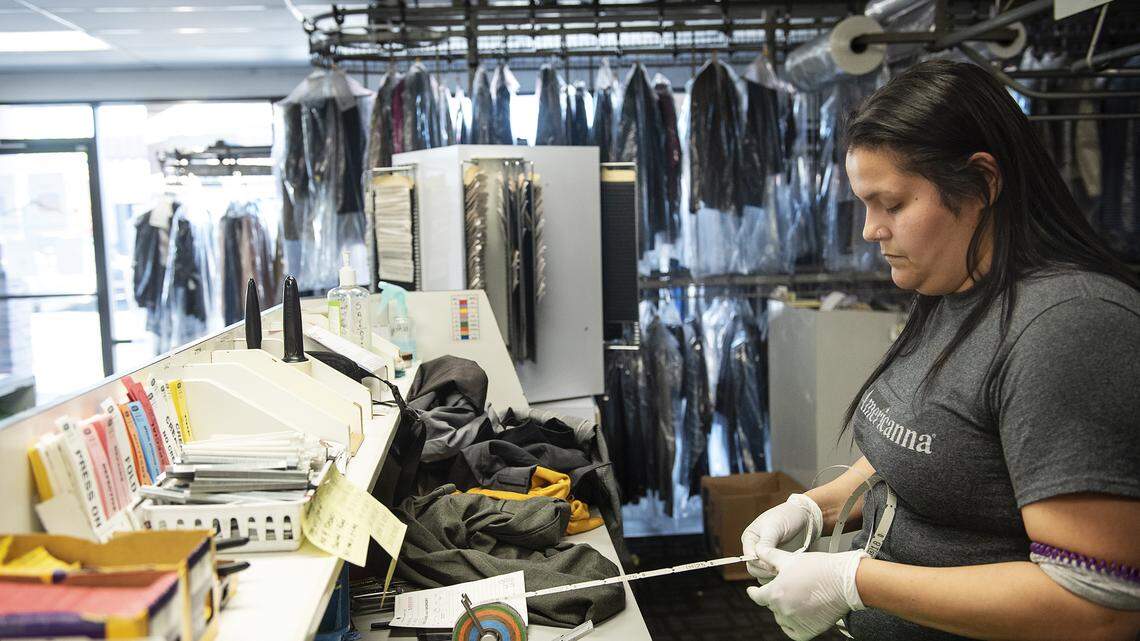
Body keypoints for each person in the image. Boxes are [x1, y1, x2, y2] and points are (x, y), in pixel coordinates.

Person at [740, 60, 1140, 641]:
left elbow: (1099, 605)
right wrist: (816, 509)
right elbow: (936, 444)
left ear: (982, 183)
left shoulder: (1069, 329)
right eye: (864, 204)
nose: (869, 230)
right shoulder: (951, 287)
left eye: (892, 204)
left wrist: (853, 581)